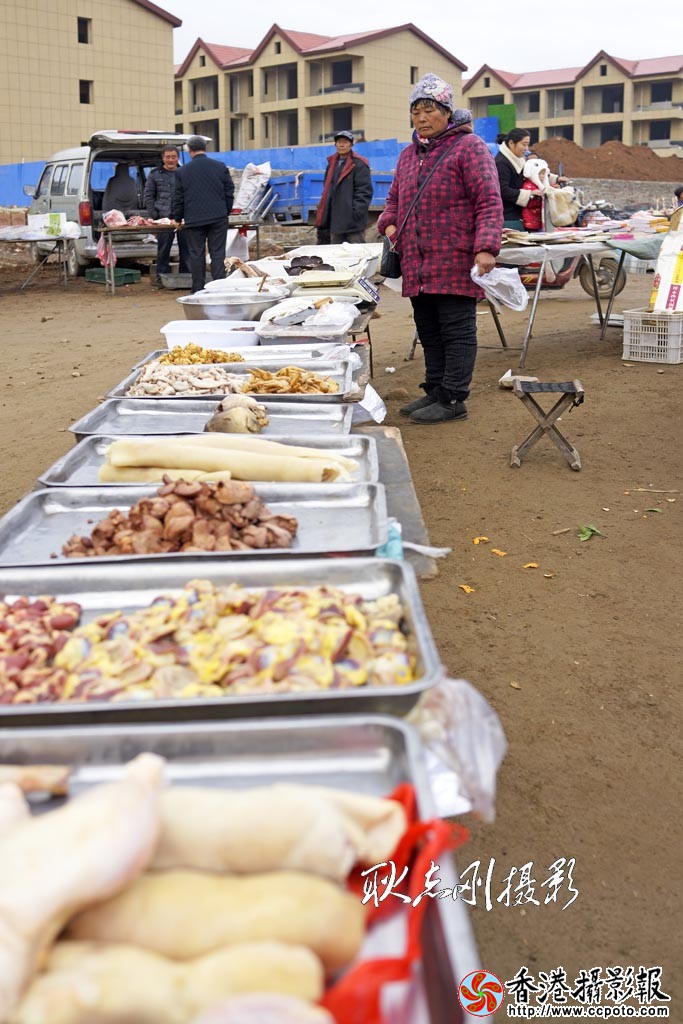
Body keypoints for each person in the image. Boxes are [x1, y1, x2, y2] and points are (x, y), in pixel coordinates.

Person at [377, 73, 503, 424]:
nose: (421, 118)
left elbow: (488, 201)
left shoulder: (469, 147)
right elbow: (393, 200)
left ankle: (453, 398)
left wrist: (486, 247)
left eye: (429, 110)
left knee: (456, 330)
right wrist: (389, 224)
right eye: (415, 111)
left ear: (447, 112)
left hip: (455, 257)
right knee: (429, 330)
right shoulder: (408, 155)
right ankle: (435, 389)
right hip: (417, 261)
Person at [173, 136, 234, 294]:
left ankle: (198, 289)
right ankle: (219, 287)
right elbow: (229, 190)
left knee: (196, 254)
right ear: (205, 148)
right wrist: (225, 210)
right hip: (218, 216)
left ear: (189, 150)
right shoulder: (219, 167)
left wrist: (177, 218)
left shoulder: (182, 171)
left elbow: (178, 197)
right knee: (218, 253)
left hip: (194, 218)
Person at [315, 130, 372, 245]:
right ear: (335, 144)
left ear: (351, 145)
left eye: (345, 142)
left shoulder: (359, 164)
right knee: (336, 253)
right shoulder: (332, 164)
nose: (342, 145)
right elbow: (326, 191)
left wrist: (355, 214)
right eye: (339, 142)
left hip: (353, 223)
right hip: (336, 221)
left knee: (357, 251)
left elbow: (364, 192)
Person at [144, 145, 189, 279]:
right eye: (168, 157)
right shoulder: (155, 174)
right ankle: (161, 278)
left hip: (182, 218)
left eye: (173, 157)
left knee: (186, 249)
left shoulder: (184, 173)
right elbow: (148, 196)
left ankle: (186, 277)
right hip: (163, 218)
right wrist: (155, 215)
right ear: (163, 158)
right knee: (163, 250)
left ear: (178, 158)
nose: (170, 160)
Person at [495, 129, 539, 229]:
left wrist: (555, 179)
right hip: (508, 218)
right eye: (524, 144)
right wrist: (529, 194)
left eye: (527, 145)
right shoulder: (501, 163)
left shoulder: (519, 160)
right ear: (511, 143)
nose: (526, 148)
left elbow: (532, 173)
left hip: (518, 215)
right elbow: (502, 190)